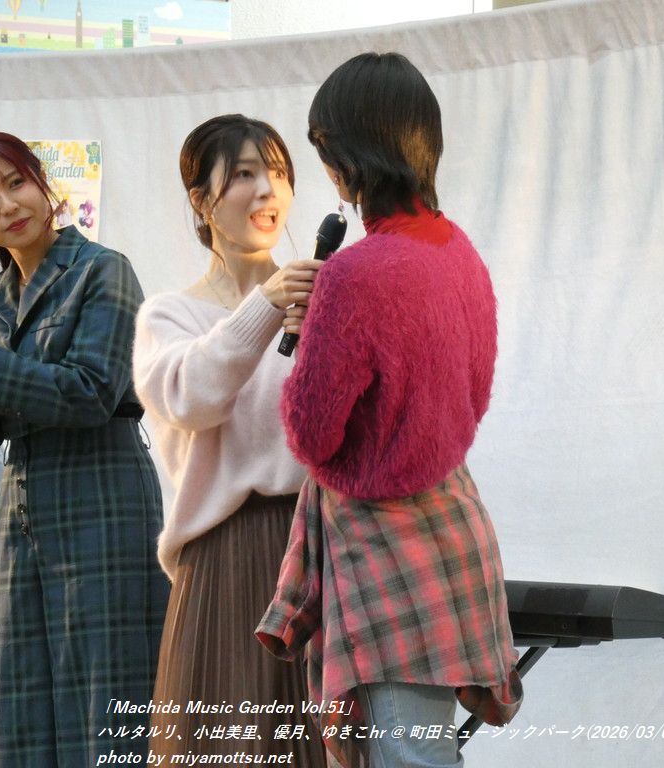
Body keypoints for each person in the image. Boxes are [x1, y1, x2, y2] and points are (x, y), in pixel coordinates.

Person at [257, 53, 522, 768]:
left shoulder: (352, 275)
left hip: (381, 550)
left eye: (325, 150)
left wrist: (314, 336)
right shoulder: (459, 250)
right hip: (455, 528)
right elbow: (475, 395)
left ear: (350, 156)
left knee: (406, 756)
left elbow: (312, 434)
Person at [0, 130, 168, 767]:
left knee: (110, 693)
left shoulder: (102, 269)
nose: (8, 205)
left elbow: (92, 392)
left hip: (104, 496)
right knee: (28, 699)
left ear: (43, 184)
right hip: (21, 512)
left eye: (16, 183)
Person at [131, 114, 327, 764]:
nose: (267, 191)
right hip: (223, 559)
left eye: (278, 174)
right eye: (244, 174)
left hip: (318, 547)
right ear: (201, 201)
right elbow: (191, 397)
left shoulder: (322, 302)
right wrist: (265, 305)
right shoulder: (169, 315)